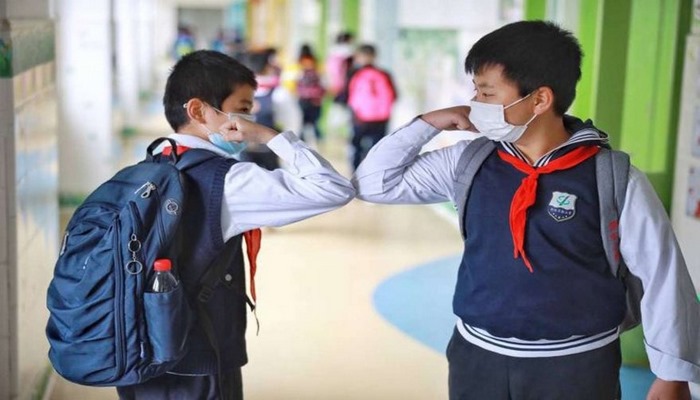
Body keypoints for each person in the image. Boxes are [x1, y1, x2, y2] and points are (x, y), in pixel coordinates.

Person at [353, 21, 700, 400]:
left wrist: (672, 374)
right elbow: (373, 183)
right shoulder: (469, 162)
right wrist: (428, 123)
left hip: (577, 366)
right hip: (476, 358)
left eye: (486, 92)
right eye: (475, 90)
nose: (474, 103)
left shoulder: (612, 177)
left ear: (539, 100)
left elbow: (662, 275)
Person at [116, 49, 354, 400]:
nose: (249, 119)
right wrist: (269, 136)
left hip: (138, 354)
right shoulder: (230, 182)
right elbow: (334, 189)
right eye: (242, 109)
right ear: (198, 111)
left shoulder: (145, 169)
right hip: (199, 360)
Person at [240, 50, 301, 170]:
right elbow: (292, 123)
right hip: (271, 149)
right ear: (268, 67)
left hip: (244, 150)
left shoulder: (239, 91)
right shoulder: (280, 93)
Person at [342, 44, 397, 171]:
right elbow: (394, 96)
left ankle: (355, 172)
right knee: (377, 148)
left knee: (356, 146)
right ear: (375, 56)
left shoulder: (354, 73)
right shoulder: (385, 74)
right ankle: (373, 172)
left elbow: (347, 96)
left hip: (360, 118)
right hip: (381, 118)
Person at [295, 43, 325, 143]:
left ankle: (302, 138)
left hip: (302, 98)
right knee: (314, 121)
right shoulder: (317, 65)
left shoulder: (298, 64)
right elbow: (323, 83)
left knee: (302, 120)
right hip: (315, 99)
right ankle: (317, 137)